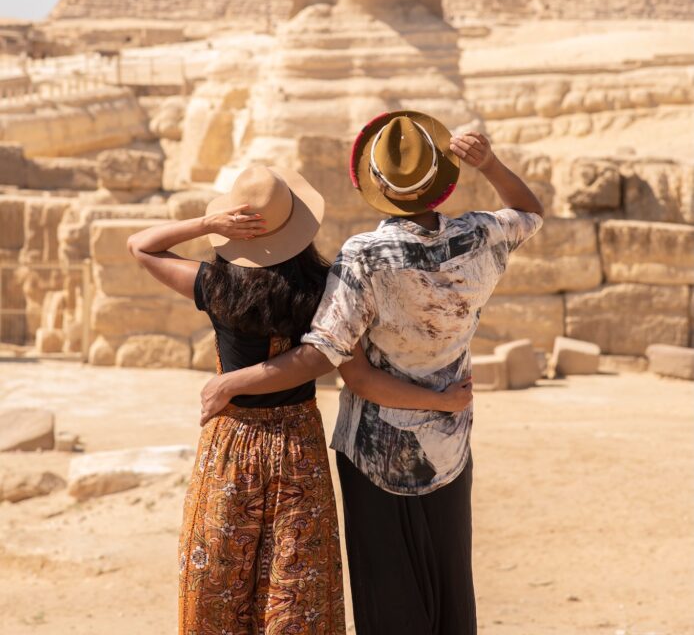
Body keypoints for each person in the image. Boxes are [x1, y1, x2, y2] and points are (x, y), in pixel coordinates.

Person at [199, 115, 545, 635]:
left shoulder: (363, 257)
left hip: (375, 456)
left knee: (390, 605)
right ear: (441, 180)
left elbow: (345, 368)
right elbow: (529, 211)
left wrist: (230, 382)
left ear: (377, 185)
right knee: (450, 592)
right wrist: (490, 163)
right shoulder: (480, 236)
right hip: (449, 448)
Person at [127, 161, 473, 635]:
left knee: (219, 585)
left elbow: (141, 246)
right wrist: (440, 400)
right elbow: (350, 371)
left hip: (232, 447)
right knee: (296, 592)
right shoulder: (325, 288)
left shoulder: (215, 284)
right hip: (298, 450)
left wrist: (207, 225)